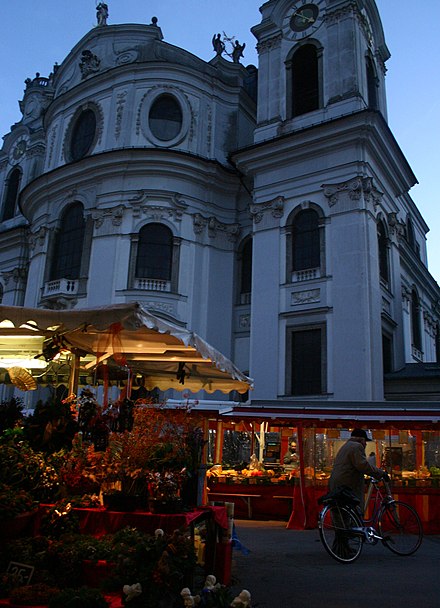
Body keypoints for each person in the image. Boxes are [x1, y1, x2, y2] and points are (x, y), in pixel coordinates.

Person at [328, 428, 388, 512]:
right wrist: (381, 473)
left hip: (337, 484)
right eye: (365, 441)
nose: (366, 444)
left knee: (340, 513)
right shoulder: (356, 446)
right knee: (354, 511)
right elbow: (363, 465)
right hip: (347, 485)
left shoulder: (346, 445)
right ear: (361, 439)